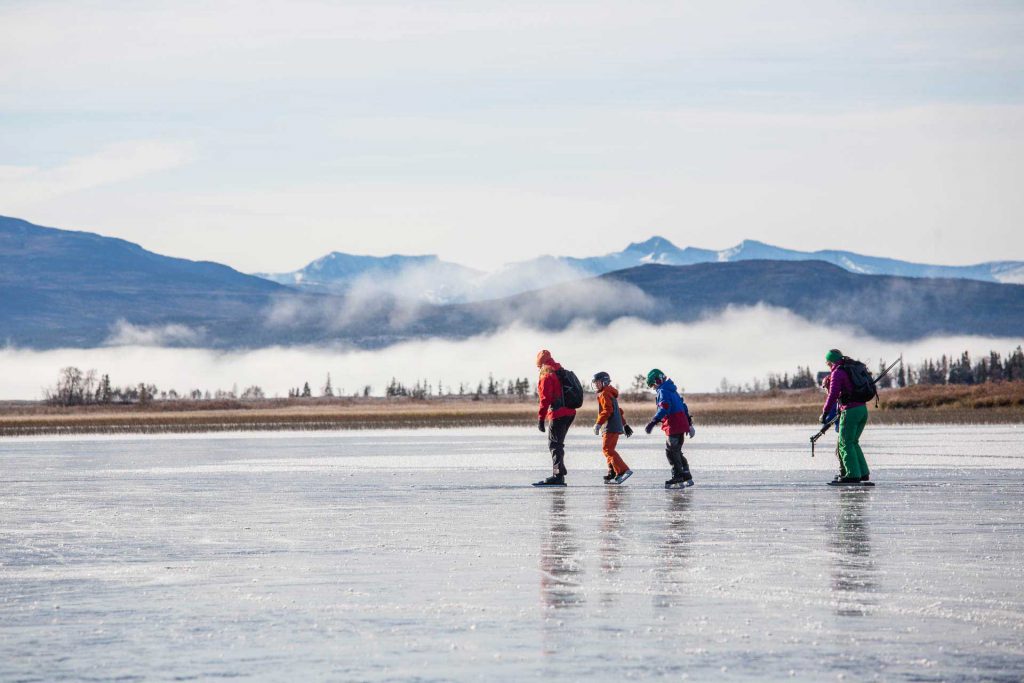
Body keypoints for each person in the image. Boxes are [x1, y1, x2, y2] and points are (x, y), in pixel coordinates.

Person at [820, 349, 871, 485]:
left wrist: (825, 412)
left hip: (850, 411)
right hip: (862, 410)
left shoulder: (838, 372)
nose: (828, 366)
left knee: (845, 443)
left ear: (831, 362)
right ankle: (863, 473)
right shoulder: (850, 369)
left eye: (828, 363)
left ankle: (852, 475)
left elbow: (833, 394)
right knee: (853, 442)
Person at [643, 368, 696, 488]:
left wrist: (653, 422)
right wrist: (689, 423)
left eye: (652, 385)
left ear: (657, 381)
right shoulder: (672, 390)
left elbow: (664, 407)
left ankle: (678, 476)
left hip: (673, 424)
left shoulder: (663, 391)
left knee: (671, 451)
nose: (653, 388)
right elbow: (683, 406)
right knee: (676, 451)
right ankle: (686, 473)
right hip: (680, 424)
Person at [533, 350, 576, 486]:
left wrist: (541, 419)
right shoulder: (560, 371)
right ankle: (560, 471)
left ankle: (558, 475)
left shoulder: (547, 376)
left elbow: (545, 399)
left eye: (538, 367)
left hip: (558, 413)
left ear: (541, 365)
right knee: (558, 444)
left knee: (554, 445)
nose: (539, 370)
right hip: (569, 412)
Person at [591, 371, 633, 484]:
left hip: (610, 426)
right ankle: (612, 472)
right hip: (611, 426)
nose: (596, 385)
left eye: (597, 382)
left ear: (604, 382)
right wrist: (624, 424)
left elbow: (608, 410)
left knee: (608, 449)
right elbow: (618, 411)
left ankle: (623, 470)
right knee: (607, 449)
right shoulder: (608, 392)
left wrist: (598, 423)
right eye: (595, 383)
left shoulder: (605, 393)